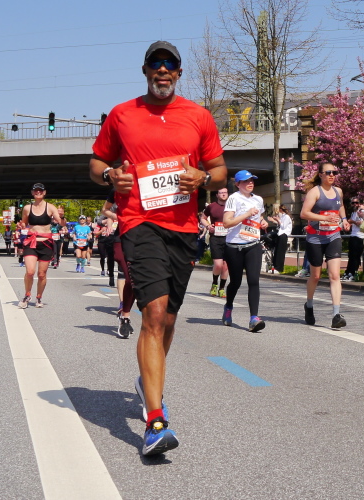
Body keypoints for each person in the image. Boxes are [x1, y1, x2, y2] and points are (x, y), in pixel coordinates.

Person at [89, 40, 227, 456]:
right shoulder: (122, 114)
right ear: (145, 70)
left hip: (183, 228)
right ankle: (155, 421)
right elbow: (96, 164)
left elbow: (219, 169)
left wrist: (203, 178)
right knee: (152, 313)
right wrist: (110, 176)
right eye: (155, 63)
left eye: (170, 64)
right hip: (140, 222)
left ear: (179, 73)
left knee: (167, 319)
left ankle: (149, 382)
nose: (162, 69)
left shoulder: (198, 116)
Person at [300, 162, 351, 328]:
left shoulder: (338, 191)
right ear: (321, 174)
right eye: (328, 172)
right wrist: (324, 218)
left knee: (335, 275)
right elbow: (304, 213)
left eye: (334, 172)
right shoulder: (315, 192)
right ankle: (309, 305)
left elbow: (340, 206)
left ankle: (336, 315)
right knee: (315, 276)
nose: (332, 175)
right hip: (315, 238)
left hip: (333, 236)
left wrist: (344, 220)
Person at [222, 170, 268, 332]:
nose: (250, 183)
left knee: (253, 281)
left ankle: (254, 318)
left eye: (252, 181)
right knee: (235, 282)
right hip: (234, 246)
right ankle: (228, 307)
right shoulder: (233, 199)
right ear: (238, 184)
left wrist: (263, 222)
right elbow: (227, 223)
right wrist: (247, 214)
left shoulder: (258, 199)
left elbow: (258, 217)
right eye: (246, 181)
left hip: (253, 244)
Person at [18, 183, 66, 308]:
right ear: (32, 193)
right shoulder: (27, 208)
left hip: (46, 243)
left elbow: (61, 223)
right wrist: (21, 225)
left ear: (44, 192)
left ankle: (39, 297)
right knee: (30, 272)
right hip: (31, 242)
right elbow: (24, 223)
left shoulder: (50, 207)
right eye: (36, 191)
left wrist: (62, 216)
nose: (38, 192)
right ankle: (27, 295)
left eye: (40, 190)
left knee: (41, 274)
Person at [103, 190, 136, 339]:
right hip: (122, 239)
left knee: (138, 281)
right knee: (130, 277)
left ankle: (126, 314)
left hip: (145, 240)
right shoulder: (120, 192)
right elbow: (106, 210)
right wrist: (117, 218)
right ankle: (125, 316)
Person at [201, 187, 230, 297]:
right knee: (218, 264)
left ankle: (222, 288)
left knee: (226, 266)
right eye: (221, 193)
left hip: (229, 238)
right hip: (216, 238)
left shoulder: (232, 206)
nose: (223, 194)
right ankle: (214, 284)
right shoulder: (211, 206)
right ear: (217, 195)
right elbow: (203, 218)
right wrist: (208, 226)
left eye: (225, 192)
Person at [342, 197, 364, 281]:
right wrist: (350, 224)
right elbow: (352, 222)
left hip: (360, 236)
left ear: (359, 203)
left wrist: (353, 222)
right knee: (351, 256)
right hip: (353, 235)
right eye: (353, 203)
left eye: (356, 203)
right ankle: (348, 272)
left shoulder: (362, 212)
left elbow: (363, 223)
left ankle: (353, 273)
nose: (355, 204)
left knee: (356, 256)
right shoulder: (354, 213)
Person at [268, 204, 292, 273]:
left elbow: (283, 226)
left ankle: (279, 268)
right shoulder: (283, 216)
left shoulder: (286, 217)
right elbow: (280, 225)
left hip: (284, 234)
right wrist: (275, 220)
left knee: (280, 252)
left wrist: (278, 220)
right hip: (280, 234)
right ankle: (274, 267)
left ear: (281, 210)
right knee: (277, 251)